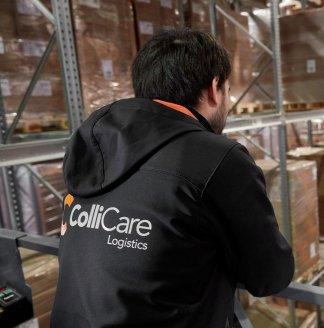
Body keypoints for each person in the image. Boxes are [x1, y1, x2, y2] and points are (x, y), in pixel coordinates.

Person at [51, 29, 295, 327]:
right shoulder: (217, 158)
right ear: (215, 88)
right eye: (229, 91)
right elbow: (269, 276)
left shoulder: (90, 143)